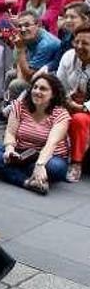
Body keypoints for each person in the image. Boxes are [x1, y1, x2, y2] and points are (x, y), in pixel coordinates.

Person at [0, 73, 70, 194]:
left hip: (49, 157)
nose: (37, 91)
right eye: (35, 87)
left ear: (53, 94)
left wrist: (40, 164)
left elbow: (51, 144)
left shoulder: (61, 114)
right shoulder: (20, 106)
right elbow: (10, 132)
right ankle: (27, 182)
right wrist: (9, 149)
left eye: (43, 89)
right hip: (19, 154)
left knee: (56, 169)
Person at [56, 25, 90, 182]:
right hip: (69, 102)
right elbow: (59, 86)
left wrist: (81, 107)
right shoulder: (68, 56)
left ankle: (76, 163)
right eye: (77, 42)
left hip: (85, 111)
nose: (79, 47)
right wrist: (67, 101)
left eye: (85, 44)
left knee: (79, 119)